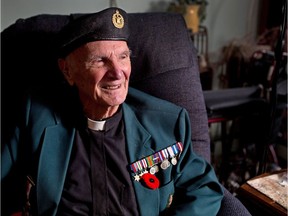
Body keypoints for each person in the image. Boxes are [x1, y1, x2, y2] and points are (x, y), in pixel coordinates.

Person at [1, 7, 223, 216]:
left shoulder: (168, 122)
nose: (117, 73)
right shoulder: (37, 116)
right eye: (100, 60)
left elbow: (204, 189)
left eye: (123, 57)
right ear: (68, 71)